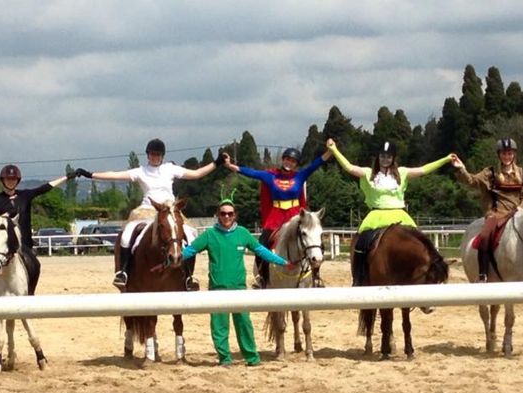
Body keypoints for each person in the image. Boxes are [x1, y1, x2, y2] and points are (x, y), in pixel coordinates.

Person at [75, 138, 225, 291]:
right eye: (153, 154)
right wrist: (90, 175)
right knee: (127, 235)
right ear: (148, 155)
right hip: (147, 210)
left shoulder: (170, 169)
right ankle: (123, 272)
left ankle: (188, 276)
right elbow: (115, 175)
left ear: (162, 156)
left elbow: (196, 174)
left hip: (169, 209)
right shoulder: (141, 171)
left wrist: (217, 163)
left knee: (191, 236)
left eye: (158, 154)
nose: (155, 157)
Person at [181, 190, 293, 367]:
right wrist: (169, 260)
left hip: (239, 289)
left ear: (235, 215)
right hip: (217, 289)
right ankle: (225, 358)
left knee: (244, 325)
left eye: (230, 213)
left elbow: (261, 251)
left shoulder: (243, 233)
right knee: (219, 327)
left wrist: (282, 262)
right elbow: (190, 251)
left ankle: (252, 357)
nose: (226, 216)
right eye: (223, 213)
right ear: (218, 215)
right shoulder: (209, 235)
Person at [326, 138, 454, 286]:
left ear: (393, 158)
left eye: (388, 156)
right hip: (376, 215)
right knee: (361, 244)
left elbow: (424, 169)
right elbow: (349, 167)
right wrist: (334, 150)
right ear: (378, 157)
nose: (385, 159)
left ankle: (428, 275)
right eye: (382, 156)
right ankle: (359, 278)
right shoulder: (368, 174)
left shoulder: (402, 173)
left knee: (421, 243)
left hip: (400, 215)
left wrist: (445, 160)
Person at [223, 146, 332, 289]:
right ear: (283, 159)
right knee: (262, 244)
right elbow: (252, 173)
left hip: (295, 216)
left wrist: (330, 151)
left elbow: (315, 164)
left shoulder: (300, 176)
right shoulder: (271, 176)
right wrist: (230, 165)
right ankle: (262, 277)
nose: (289, 163)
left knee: (315, 242)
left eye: (293, 161)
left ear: (296, 164)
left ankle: (316, 276)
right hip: (276, 216)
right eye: (287, 159)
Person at [0, 164, 75, 297]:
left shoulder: (25, 196)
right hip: (1, 244)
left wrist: (67, 177)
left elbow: (45, 188)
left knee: (35, 264)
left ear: (17, 181)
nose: (10, 181)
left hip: (20, 243)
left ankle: (30, 292)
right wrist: (2, 217)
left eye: (13, 179)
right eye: (8, 179)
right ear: (3, 181)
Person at [452, 138, 523, 282]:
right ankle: (483, 274)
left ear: (514, 154)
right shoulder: (490, 173)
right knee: (485, 236)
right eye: (504, 153)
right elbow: (472, 181)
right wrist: (461, 169)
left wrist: (521, 208)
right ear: (499, 155)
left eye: (509, 153)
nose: (507, 156)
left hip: (518, 213)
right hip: (496, 214)